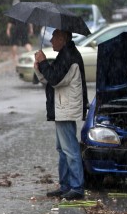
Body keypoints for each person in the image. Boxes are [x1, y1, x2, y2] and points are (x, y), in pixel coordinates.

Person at [33, 29, 87, 200]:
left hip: (66, 108)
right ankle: (65, 185)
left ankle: (76, 187)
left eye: (54, 37)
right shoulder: (65, 54)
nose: (50, 40)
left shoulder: (69, 57)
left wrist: (42, 63)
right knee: (62, 148)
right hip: (62, 107)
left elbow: (55, 79)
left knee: (70, 149)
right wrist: (40, 67)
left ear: (63, 39)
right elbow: (50, 78)